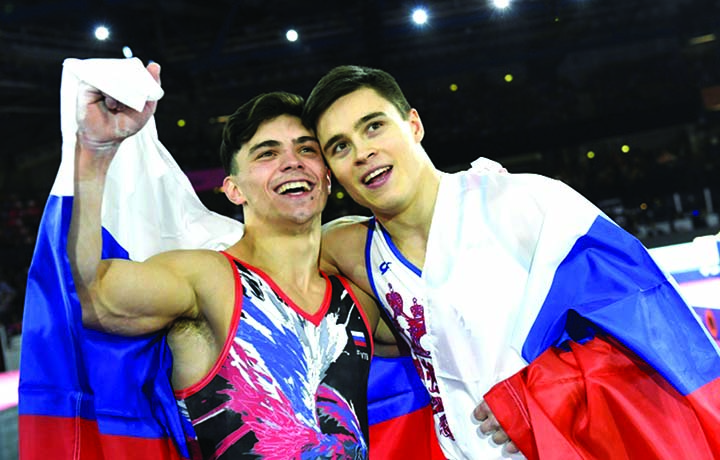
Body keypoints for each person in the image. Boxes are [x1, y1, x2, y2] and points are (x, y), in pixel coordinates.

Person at [302, 65, 720, 459]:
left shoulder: (525, 203)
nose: (362, 152)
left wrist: (548, 390)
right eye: (340, 147)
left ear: (413, 124)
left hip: (574, 447)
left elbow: (650, 323)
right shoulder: (350, 250)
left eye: (374, 126)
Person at [67, 62, 393, 459]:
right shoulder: (209, 279)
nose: (292, 161)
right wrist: (93, 153)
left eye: (307, 148)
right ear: (234, 190)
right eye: (267, 153)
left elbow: (441, 346)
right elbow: (91, 296)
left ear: (326, 176)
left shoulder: (359, 300)